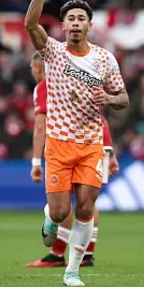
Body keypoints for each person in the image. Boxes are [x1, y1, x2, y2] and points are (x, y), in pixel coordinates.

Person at [24, 0, 129, 287]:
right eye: (70, 18)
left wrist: (108, 98)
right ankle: (50, 219)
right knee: (59, 213)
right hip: (58, 145)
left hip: (90, 145)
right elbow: (30, 24)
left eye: (81, 18)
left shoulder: (104, 59)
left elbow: (124, 98)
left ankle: (72, 269)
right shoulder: (53, 52)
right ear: (64, 24)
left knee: (85, 207)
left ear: (89, 25)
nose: (75, 23)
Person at [26, 52, 119, 268]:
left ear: (39, 68)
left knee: (64, 203)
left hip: (69, 149)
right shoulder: (75, 81)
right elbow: (99, 116)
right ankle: (86, 253)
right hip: (97, 145)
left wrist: (36, 162)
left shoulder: (45, 87)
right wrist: (110, 150)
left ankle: (57, 253)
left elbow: (40, 126)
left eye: (34, 68)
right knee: (87, 202)